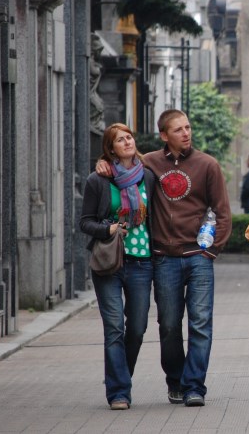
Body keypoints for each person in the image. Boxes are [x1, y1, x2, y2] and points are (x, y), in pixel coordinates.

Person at [96, 109, 232, 408]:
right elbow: (124, 167)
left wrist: (211, 250)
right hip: (163, 258)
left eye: (188, 127)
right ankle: (176, 381)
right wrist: (103, 164)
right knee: (169, 325)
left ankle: (194, 385)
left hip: (198, 257)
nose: (186, 133)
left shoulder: (208, 165)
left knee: (200, 324)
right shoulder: (150, 163)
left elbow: (223, 212)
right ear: (164, 135)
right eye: (179, 129)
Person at [80, 123, 155, 410]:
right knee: (114, 328)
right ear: (111, 149)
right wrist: (108, 229)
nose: (127, 142)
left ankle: (120, 374)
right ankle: (119, 392)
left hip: (141, 262)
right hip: (109, 263)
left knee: (136, 327)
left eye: (129, 137)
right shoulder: (98, 180)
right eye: (120, 140)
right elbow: (85, 221)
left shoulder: (146, 176)